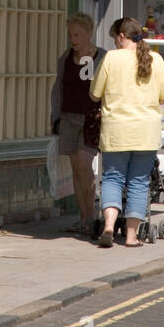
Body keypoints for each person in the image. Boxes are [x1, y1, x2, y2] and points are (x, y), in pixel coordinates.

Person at [89, 17, 164, 247]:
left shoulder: (111, 58)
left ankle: (108, 227)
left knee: (113, 179)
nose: (115, 42)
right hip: (146, 132)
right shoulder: (155, 59)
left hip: (116, 131)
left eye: (115, 38)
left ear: (122, 37)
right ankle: (131, 236)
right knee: (138, 182)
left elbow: (95, 94)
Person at [50, 13, 105, 236]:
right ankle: (82, 218)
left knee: (84, 165)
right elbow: (58, 89)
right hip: (68, 117)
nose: (73, 39)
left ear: (89, 33)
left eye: (77, 35)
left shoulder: (102, 57)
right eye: (70, 35)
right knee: (75, 169)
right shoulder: (65, 58)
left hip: (92, 118)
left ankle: (92, 216)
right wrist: (55, 118)